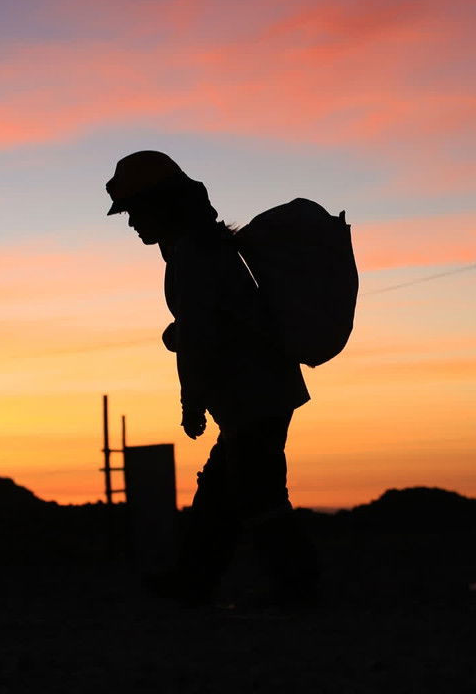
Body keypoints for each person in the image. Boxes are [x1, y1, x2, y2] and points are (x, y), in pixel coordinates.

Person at [106, 150, 319, 605]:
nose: (132, 223)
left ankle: (297, 590)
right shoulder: (201, 247)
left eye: (134, 211)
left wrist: (192, 402)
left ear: (161, 205)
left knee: (258, 493)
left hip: (252, 393)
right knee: (223, 490)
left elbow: (201, 335)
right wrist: (180, 333)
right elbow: (214, 320)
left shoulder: (193, 253)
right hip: (259, 390)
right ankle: (194, 583)